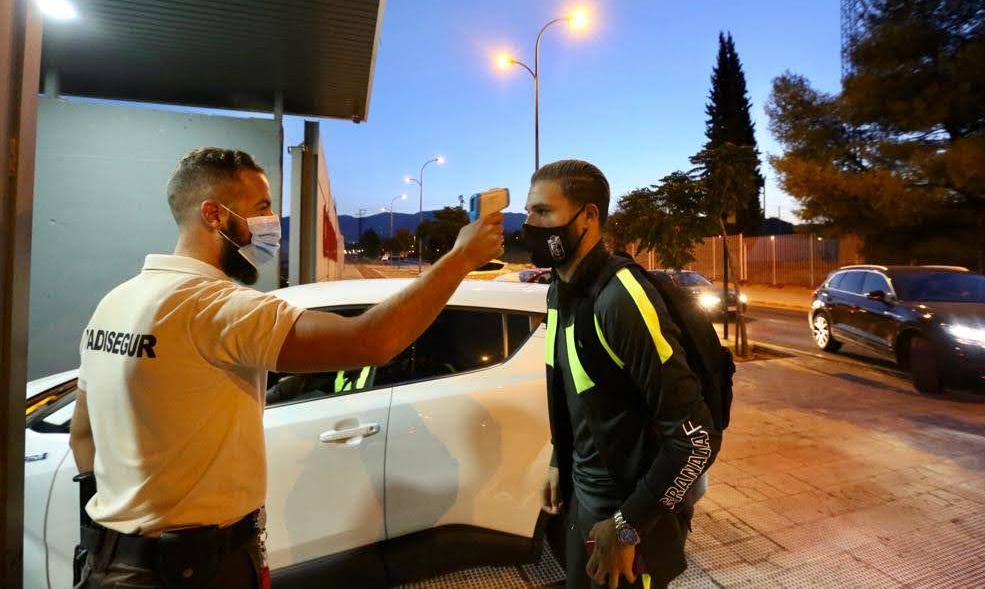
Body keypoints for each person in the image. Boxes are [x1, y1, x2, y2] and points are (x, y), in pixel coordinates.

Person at [69, 147, 503, 588]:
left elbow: (82, 435)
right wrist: (462, 259)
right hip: (191, 569)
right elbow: (371, 341)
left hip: (106, 561)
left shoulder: (116, 302)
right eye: (261, 207)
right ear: (214, 215)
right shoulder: (216, 307)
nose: (272, 221)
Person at [525, 160, 721, 589]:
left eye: (543, 212)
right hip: (583, 503)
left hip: (629, 524)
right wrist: (560, 459)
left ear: (588, 217)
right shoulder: (559, 290)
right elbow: (569, 388)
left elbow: (695, 438)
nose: (529, 224)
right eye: (529, 212)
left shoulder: (621, 300)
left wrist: (629, 525)